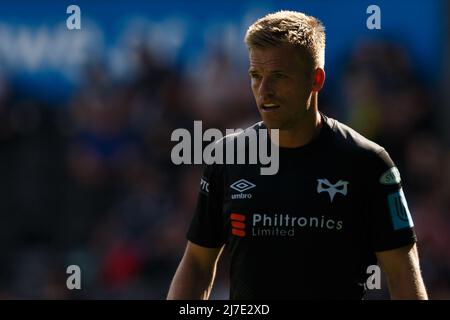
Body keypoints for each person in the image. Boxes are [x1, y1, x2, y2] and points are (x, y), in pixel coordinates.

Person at [167, 10, 428, 299]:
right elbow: (197, 263)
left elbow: (402, 272)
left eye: (278, 76)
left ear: (316, 79)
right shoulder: (228, 158)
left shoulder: (368, 163)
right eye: (256, 76)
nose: (264, 91)